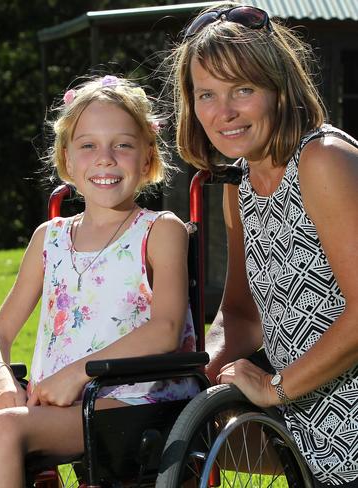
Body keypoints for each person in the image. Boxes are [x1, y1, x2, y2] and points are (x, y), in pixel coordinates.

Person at [0, 75, 199, 488]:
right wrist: (1, 380)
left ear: (146, 159)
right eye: (88, 145)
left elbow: (166, 331)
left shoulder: (160, 230)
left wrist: (76, 374)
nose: (104, 158)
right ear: (67, 160)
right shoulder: (48, 238)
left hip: (134, 400)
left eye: (122, 145)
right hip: (58, 404)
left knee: (3, 429)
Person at [168, 2, 358, 486]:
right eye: (206, 93)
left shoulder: (323, 159)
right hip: (305, 427)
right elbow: (244, 314)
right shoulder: (240, 184)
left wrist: (275, 387)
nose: (223, 111)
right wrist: (196, 371)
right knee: (158, 445)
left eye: (243, 90)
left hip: (339, 421)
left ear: (280, 89)